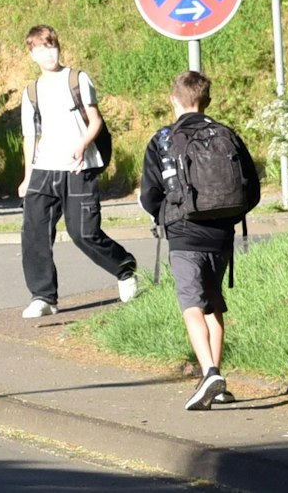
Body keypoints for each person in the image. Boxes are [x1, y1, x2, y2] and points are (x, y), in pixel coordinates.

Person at [138, 71, 261, 410]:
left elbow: (150, 194)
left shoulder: (163, 139)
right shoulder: (226, 134)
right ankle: (218, 379)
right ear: (207, 101)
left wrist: (165, 216)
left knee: (191, 305)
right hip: (222, 233)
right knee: (213, 303)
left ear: (172, 99)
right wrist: (230, 217)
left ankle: (208, 372)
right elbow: (251, 188)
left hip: (184, 232)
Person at [18, 25, 137, 318]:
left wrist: (83, 144)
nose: (48, 53)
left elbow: (95, 120)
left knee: (84, 232)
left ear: (59, 47)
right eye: (40, 48)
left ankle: (125, 268)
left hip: (78, 166)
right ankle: (43, 296)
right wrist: (27, 176)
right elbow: (30, 137)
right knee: (34, 233)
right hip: (44, 169)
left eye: (51, 45)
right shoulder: (31, 91)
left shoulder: (77, 79)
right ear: (32, 54)